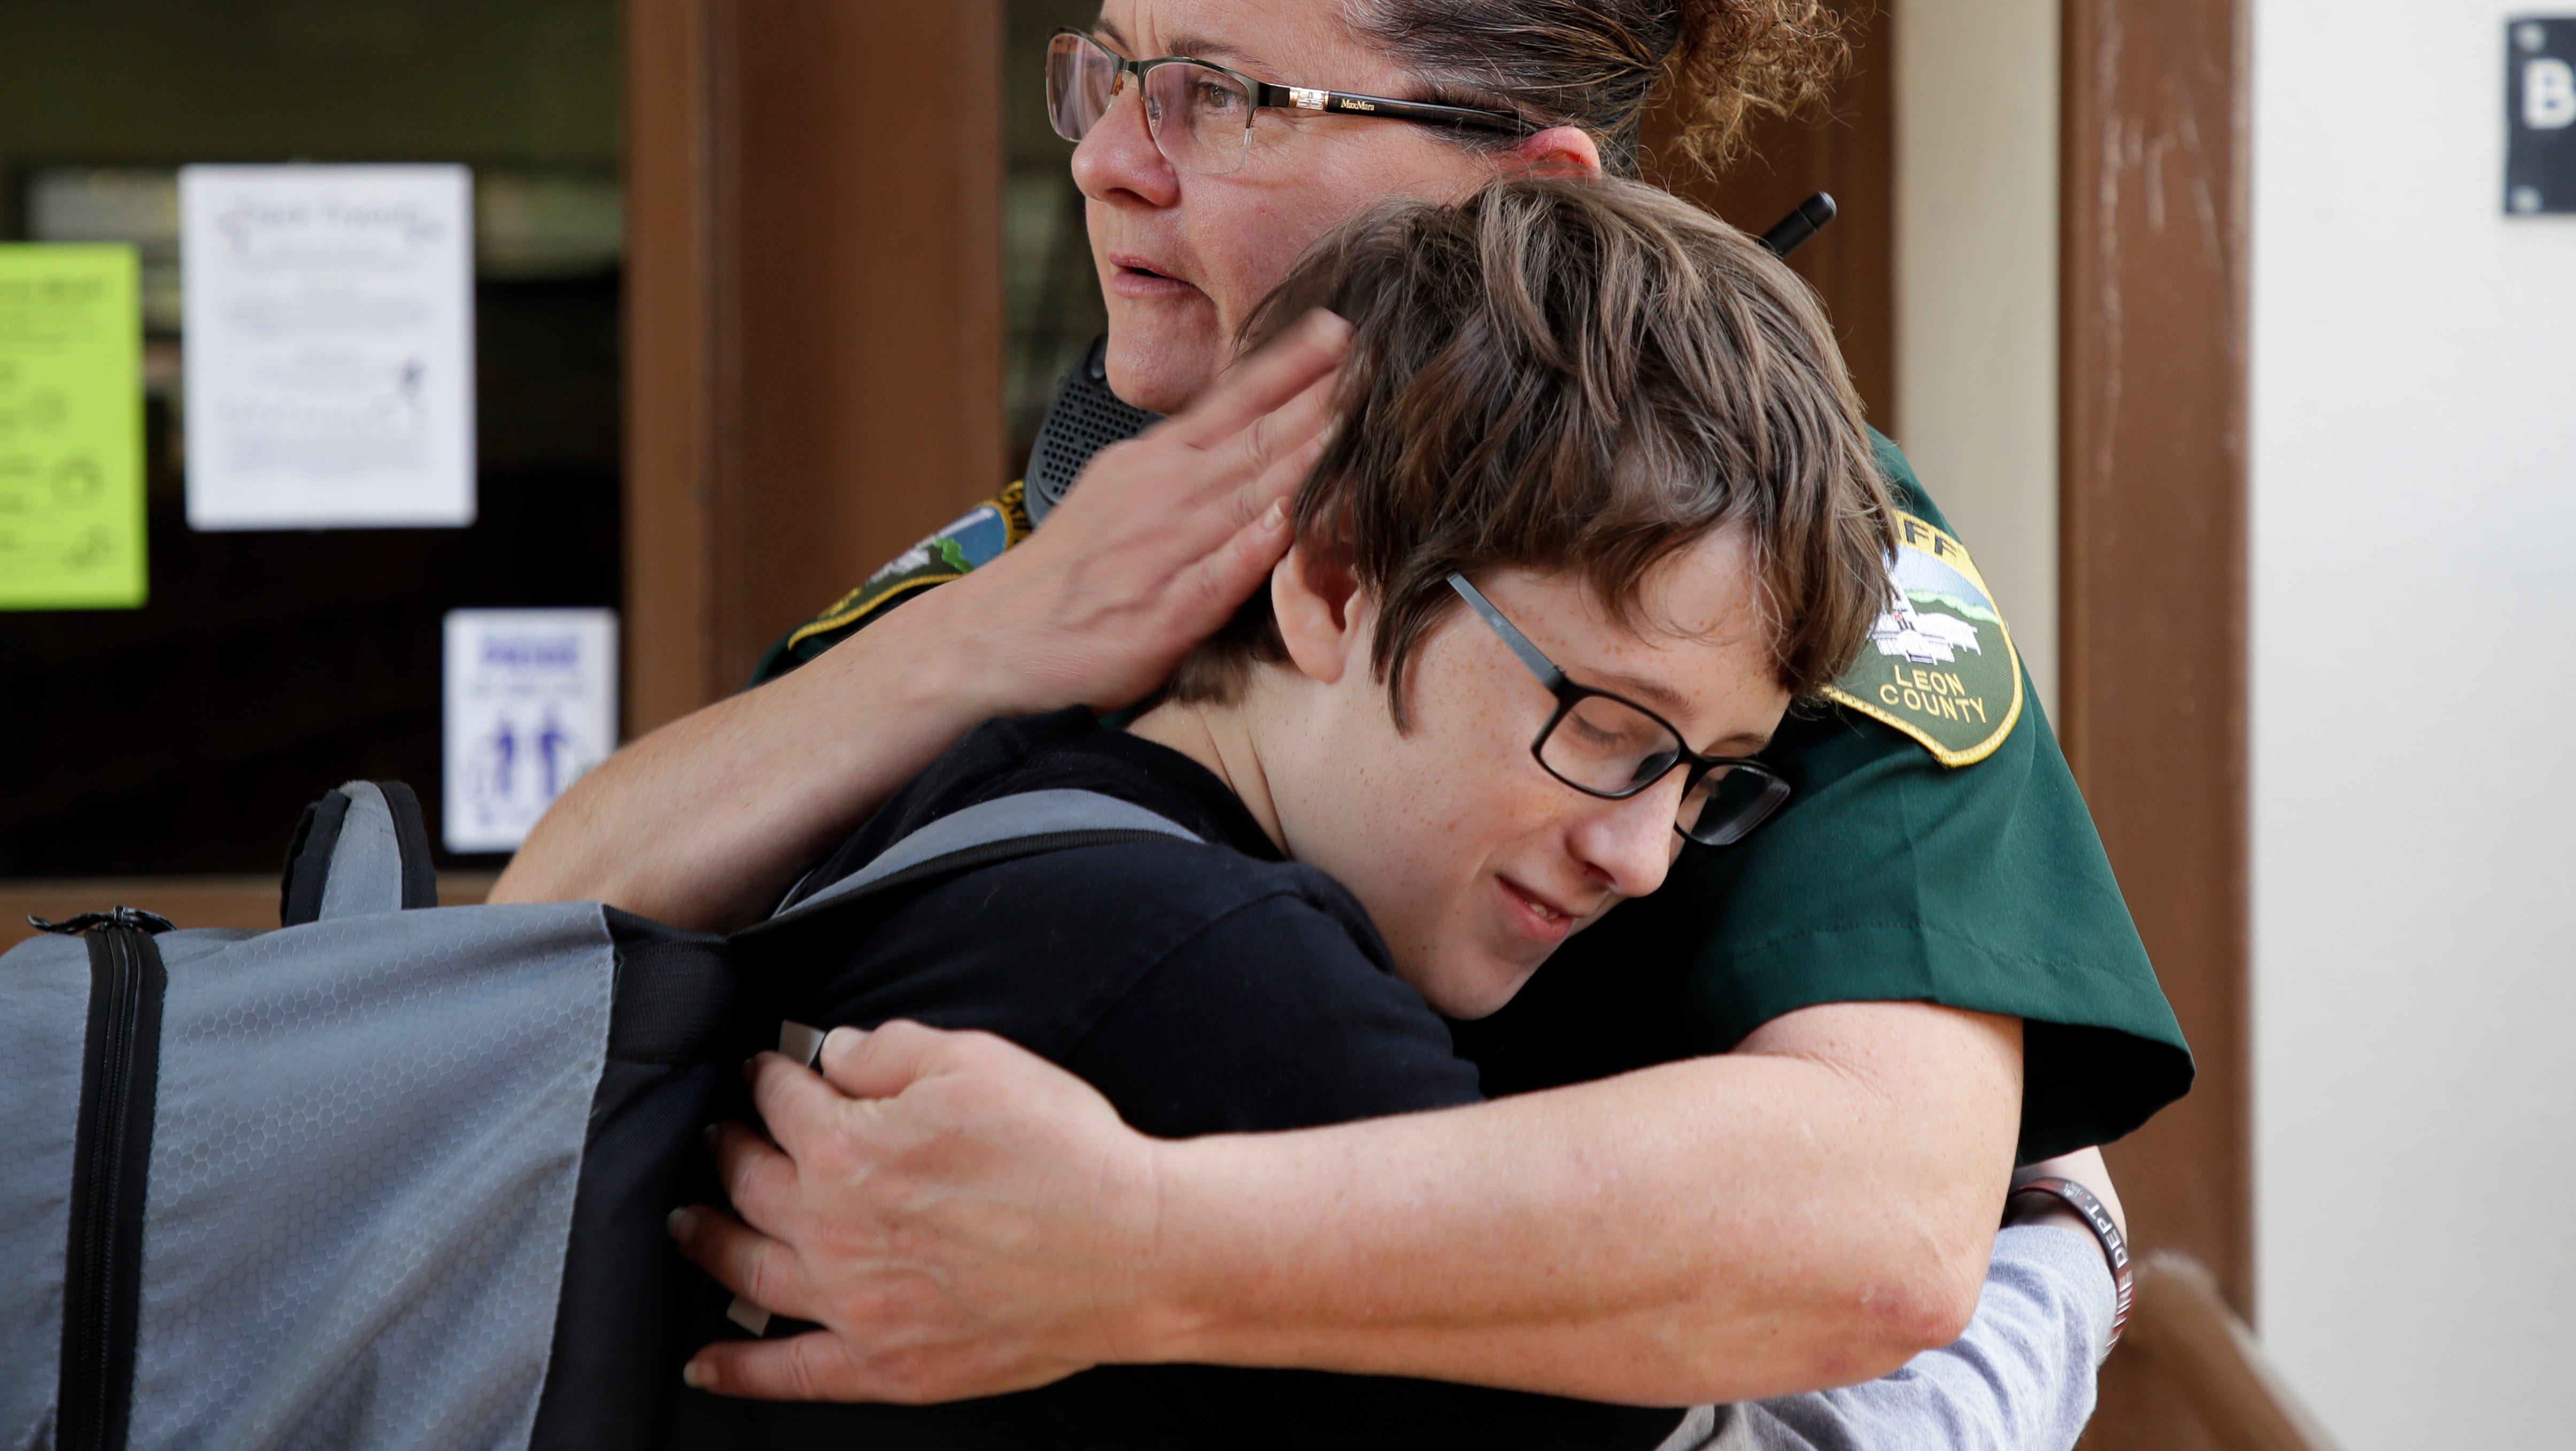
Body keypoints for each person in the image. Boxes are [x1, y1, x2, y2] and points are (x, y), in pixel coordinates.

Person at [497, 0, 2188, 1411]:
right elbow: (533, 955)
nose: (1107, 160)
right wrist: (996, 635)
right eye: (1113, 75)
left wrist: (1137, 1246)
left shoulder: (1747, 550)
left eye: (1221, 97)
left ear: (1520, 195)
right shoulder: (1048, 546)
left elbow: (1872, 1235)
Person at [683, 177, 2123, 1450]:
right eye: (1606, 729)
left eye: (1702, 778)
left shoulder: (964, 815)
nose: (1635, 853)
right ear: (1327, 586)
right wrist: (2060, 1260)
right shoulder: (1223, 982)